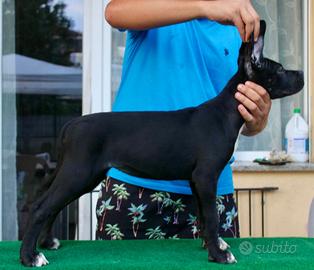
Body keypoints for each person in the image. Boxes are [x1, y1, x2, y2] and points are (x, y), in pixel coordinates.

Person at [95, 0, 271, 240]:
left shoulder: (238, 32)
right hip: (135, 185)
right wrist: (206, 7)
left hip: (212, 190)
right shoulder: (161, 8)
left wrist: (255, 122)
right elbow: (114, 12)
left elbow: (235, 117)